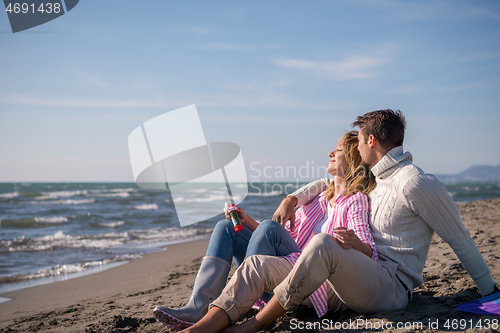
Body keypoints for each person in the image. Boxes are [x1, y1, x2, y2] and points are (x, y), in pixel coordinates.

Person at [178, 109, 498, 333]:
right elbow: (332, 184)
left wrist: (490, 293)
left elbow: (460, 238)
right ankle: (200, 328)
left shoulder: (415, 182)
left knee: (321, 242)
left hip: (391, 286)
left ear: (371, 140)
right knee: (255, 266)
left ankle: (255, 323)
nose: (355, 148)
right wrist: (292, 198)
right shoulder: (374, 180)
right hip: (347, 273)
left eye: (358, 140)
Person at [154, 130, 377, 330]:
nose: (329, 153)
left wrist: (353, 242)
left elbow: (371, 252)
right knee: (226, 227)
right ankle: (199, 307)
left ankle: (246, 300)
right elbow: (283, 238)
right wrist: (246, 220)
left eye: (337, 150)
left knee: (270, 226)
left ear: (353, 159)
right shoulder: (316, 199)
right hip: (278, 266)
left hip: (303, 277)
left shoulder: (355, 201)